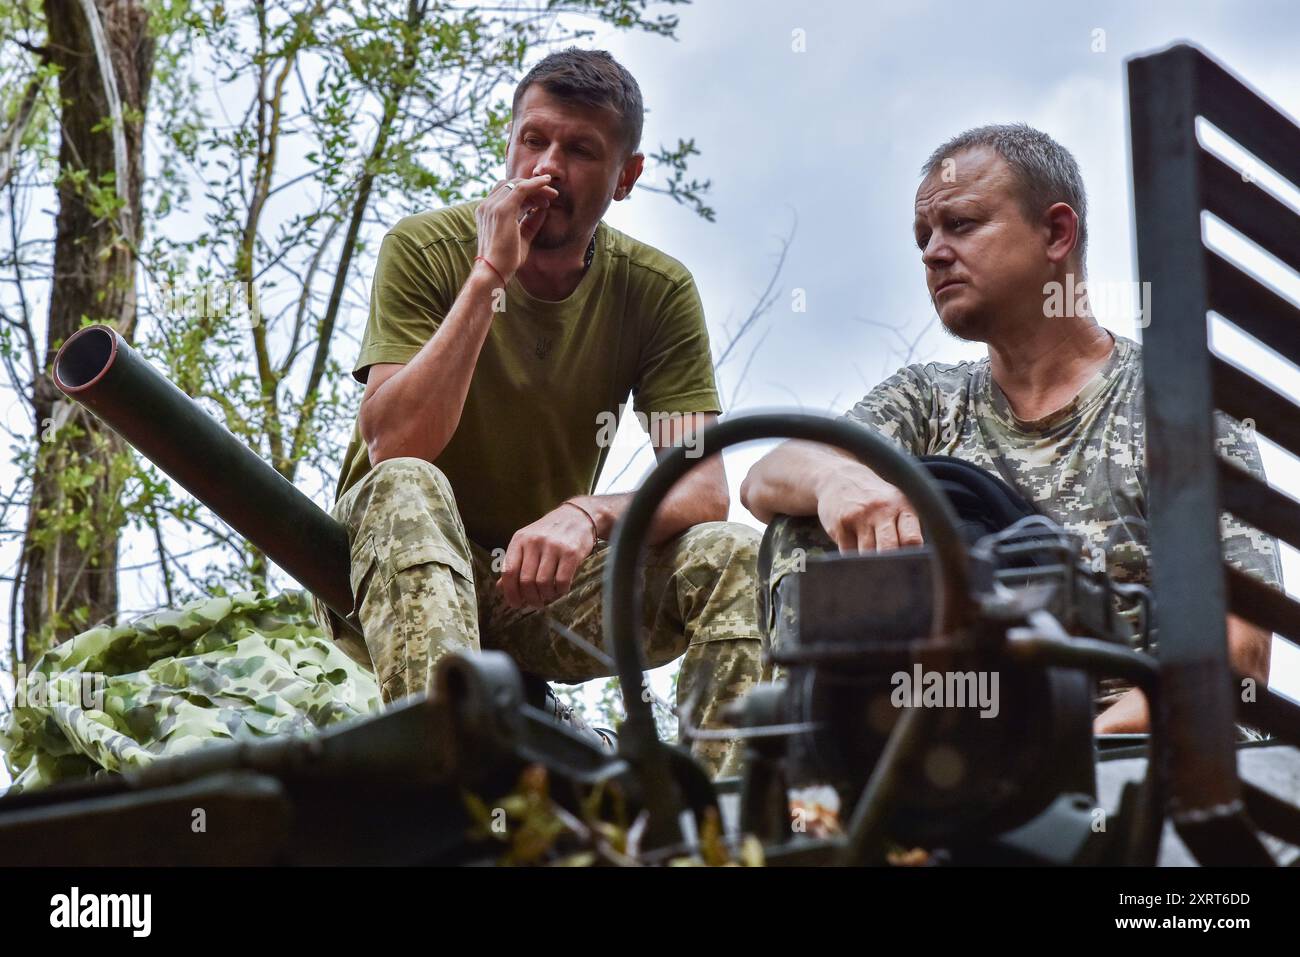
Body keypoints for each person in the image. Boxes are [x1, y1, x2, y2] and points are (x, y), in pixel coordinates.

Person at [740, 123, 1283, 734]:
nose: (932, 253)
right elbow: (765, 477)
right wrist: (838, 481)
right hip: (950, 752)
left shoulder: (1178, 410)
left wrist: (1057, 763)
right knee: (803, 516)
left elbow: (1237, 655)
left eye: (962, 224)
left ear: (1056, 233)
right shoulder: (927, 399)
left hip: (1131, 765)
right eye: (924, 236)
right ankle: (815, 784)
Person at [313, 49, 762, 778]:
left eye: (581, 150)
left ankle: (710, 822)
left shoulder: (656, 293)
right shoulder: (427, 249)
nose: (548, 166)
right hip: (395, 574)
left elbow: (702, 488)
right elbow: (395, 444)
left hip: (535, 588)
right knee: (408, 486)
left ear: (625, 178)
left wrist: (588, 513)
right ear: (511, 142)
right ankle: (453, 791)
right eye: (534, 139)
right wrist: (490, 275)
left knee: (735, 554)